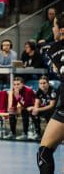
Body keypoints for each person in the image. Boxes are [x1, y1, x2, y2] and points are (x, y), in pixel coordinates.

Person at [37, 15, 64, 174]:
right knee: (44, 152)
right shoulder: (54, 49)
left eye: (54, 26)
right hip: (63, 107)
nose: (52, 29)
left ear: (61, 30)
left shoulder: (53, 49)